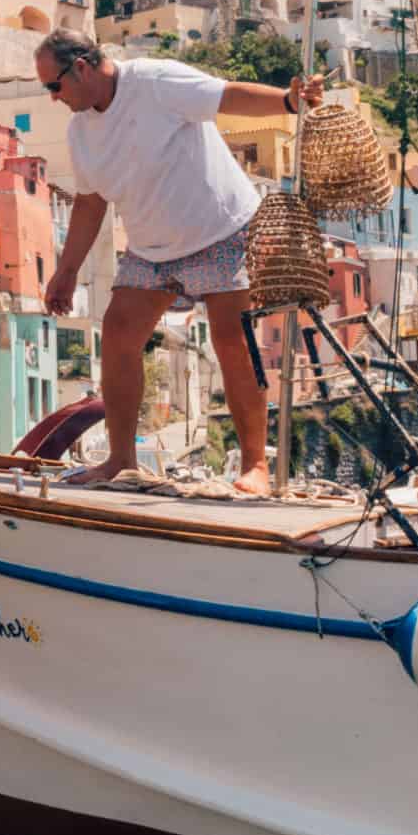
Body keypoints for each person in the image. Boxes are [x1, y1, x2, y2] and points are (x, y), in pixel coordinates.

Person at [37, 33, 322, 494]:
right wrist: (66, 271)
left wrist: (288, 103)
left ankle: (255, 467)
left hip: (221, 231)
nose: (53, 98)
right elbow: (90, 204)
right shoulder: (80, 132)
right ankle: (121, 460)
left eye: (54, 86)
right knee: (118, 333)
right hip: (151, 250)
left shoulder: (154, 81)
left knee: (232, 341)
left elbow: (226, 95)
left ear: (83, 67)